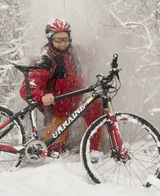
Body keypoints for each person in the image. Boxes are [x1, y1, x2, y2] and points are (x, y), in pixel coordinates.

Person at [20, 18, 102, 153]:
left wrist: (101, 31)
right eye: (58, 40)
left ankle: (93, 151)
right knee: (54, 151)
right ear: (50, 39)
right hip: (57, 108)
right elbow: (27, 87)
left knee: (96, 104)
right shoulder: (45, 59)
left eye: (66, 38)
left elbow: (91, 53)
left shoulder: (74, 51)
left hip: (77, 101)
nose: (63, 43)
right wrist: (42, 96)